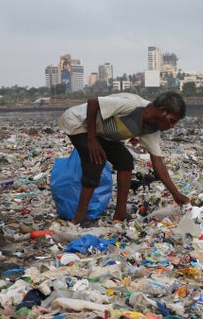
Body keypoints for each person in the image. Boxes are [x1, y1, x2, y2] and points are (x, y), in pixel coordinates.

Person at [58, 92, 190, 224]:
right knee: (95, 161)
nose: (172, 126)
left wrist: (175, 194)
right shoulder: (132, 105)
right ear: (162, 111)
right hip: (78, 123)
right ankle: (79, 217)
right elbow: (93, 102)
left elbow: (158, 163)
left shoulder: (152, 129)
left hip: (101, 133)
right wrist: (91, 139)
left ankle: (120, 213)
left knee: (125, 161)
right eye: (172, 120)